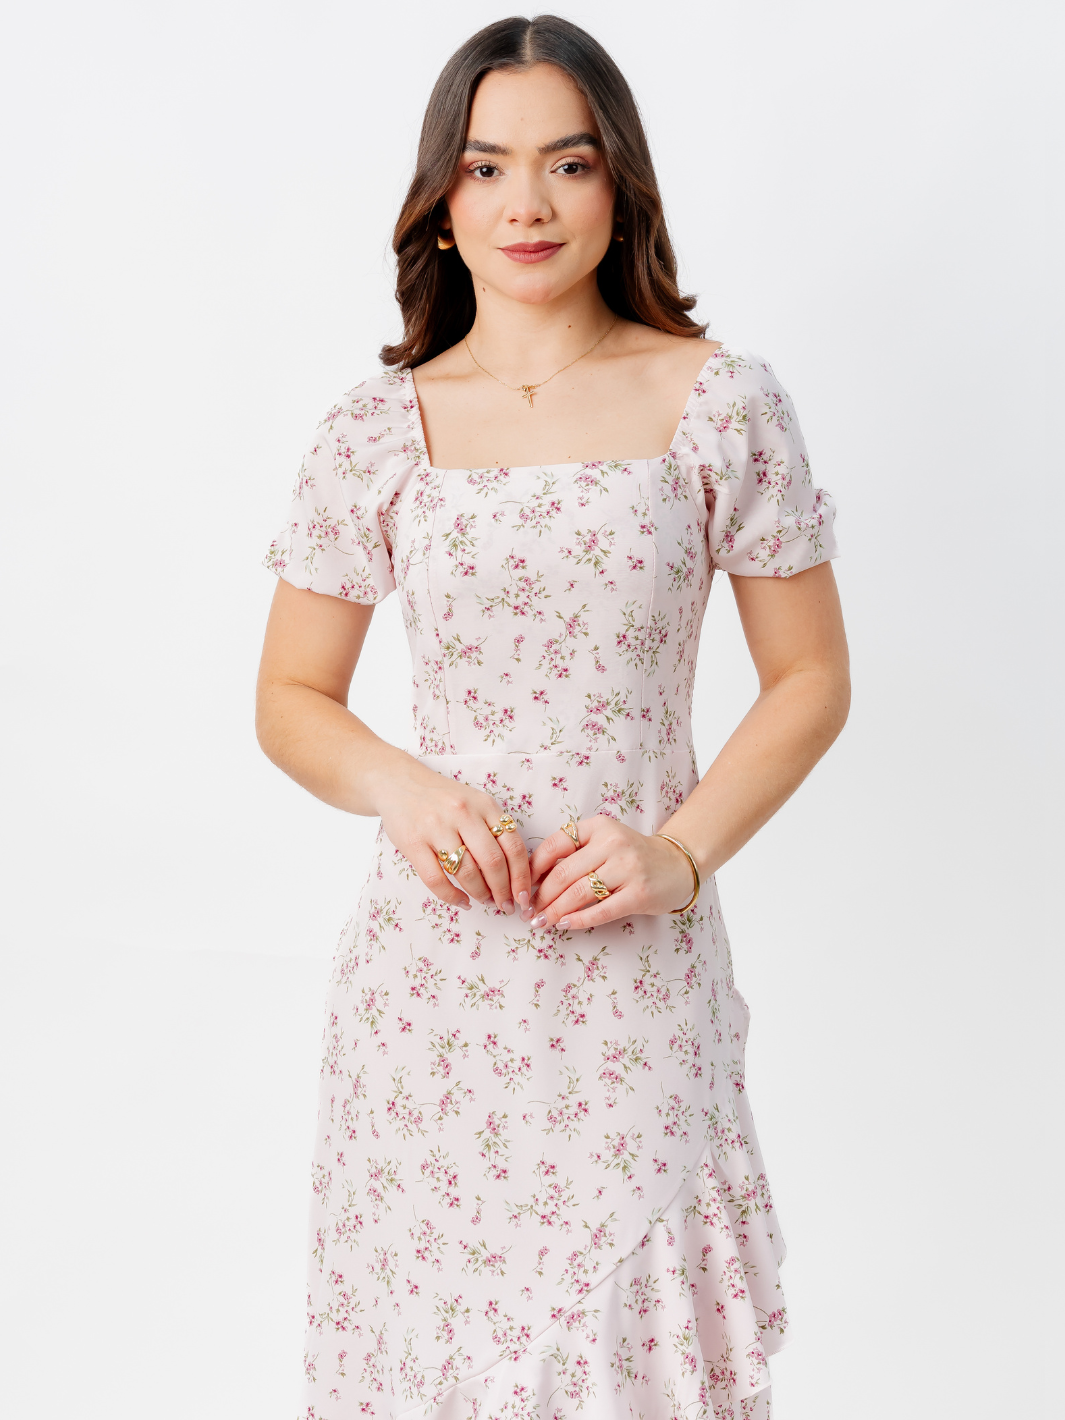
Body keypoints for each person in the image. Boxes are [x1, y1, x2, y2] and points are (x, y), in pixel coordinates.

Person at [256, 14, 849, 1419]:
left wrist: (679, 853)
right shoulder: (375, 429)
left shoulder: (721, 405)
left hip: (635, 968)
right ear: (442, 201)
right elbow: (289, 698)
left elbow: (812, 678)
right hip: (432, 986)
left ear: (620, 186)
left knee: (629, 1349)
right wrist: (401, 786)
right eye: (487, 168)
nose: (527, 203)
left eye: (568, 164)